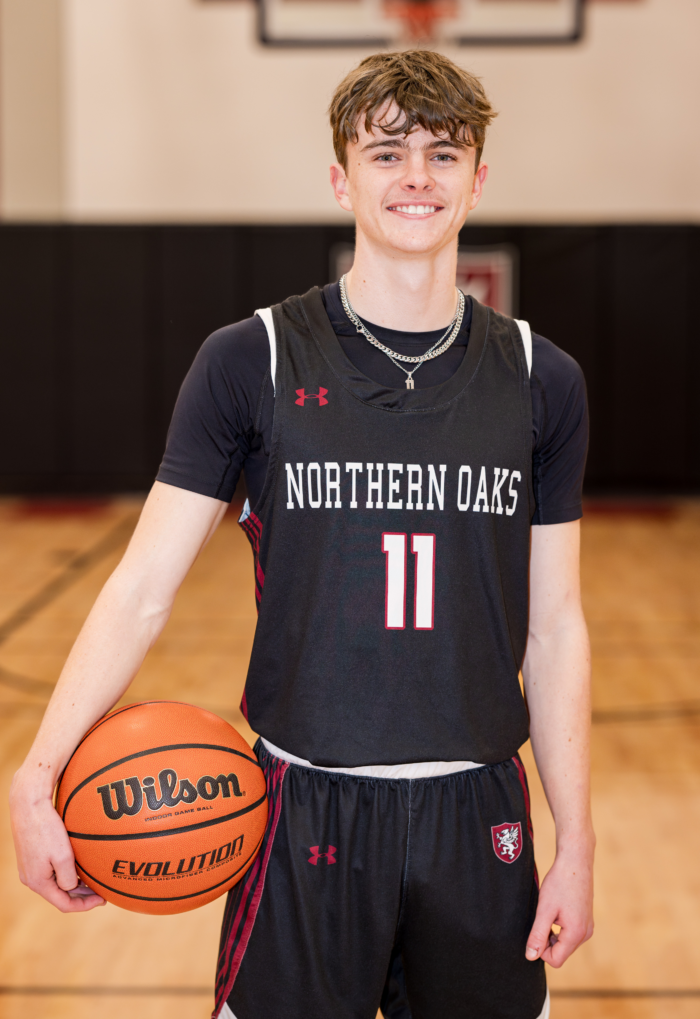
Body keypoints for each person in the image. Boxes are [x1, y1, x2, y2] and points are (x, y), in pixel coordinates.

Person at [10, 49, 594, 1019]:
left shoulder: (542, 378)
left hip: (478, 814)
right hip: (298, 810)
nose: (416, 177)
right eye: (386, 152)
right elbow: (142, 585)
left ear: (478, 180)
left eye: (443, 154)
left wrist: (574, 840)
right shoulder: (251, 359)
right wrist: (37, 774)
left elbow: (557, 625)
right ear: (339, 178)